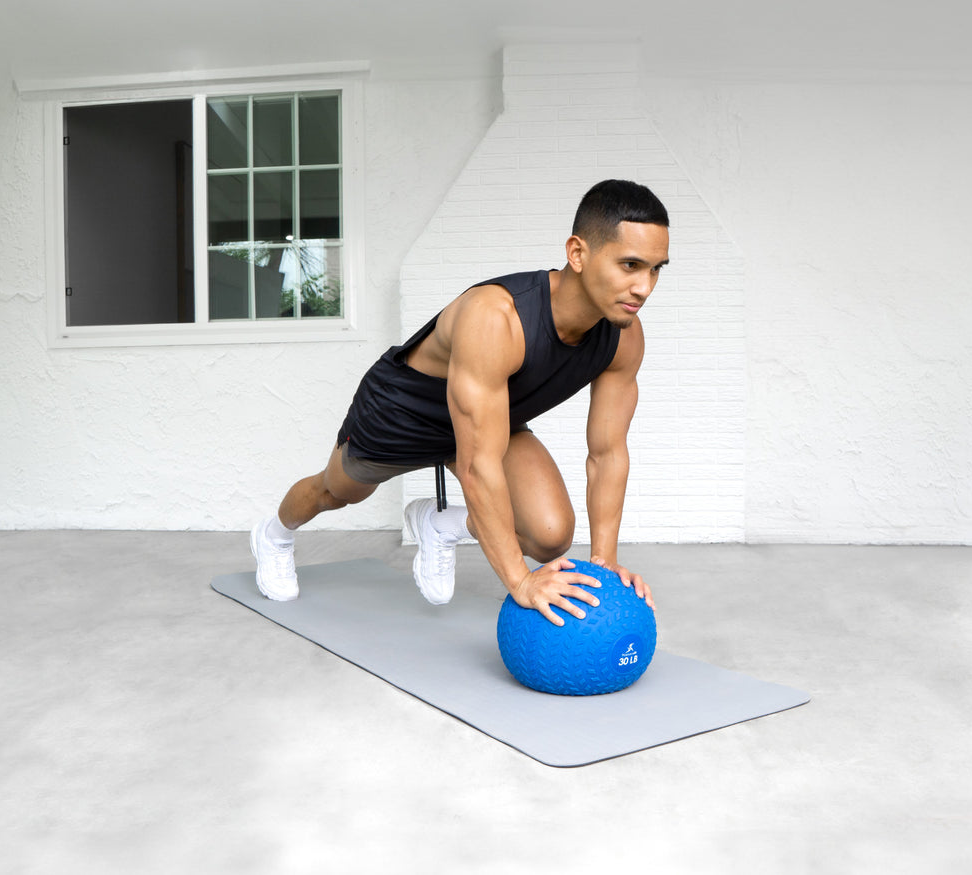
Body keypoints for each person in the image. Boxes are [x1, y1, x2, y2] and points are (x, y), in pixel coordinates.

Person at [250, 179, 668, 627]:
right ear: (577, 253)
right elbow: (476, 468)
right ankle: (273, 536)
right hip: (404, 412)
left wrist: (604, 562)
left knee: (549, 535)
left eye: (656, 269)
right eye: (630, 265)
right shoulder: (496, 318)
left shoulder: (622, 337)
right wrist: (520, 581)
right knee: (334, 492)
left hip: (489, 419)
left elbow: (607, 454)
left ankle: (439, 523)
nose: (644, 287)